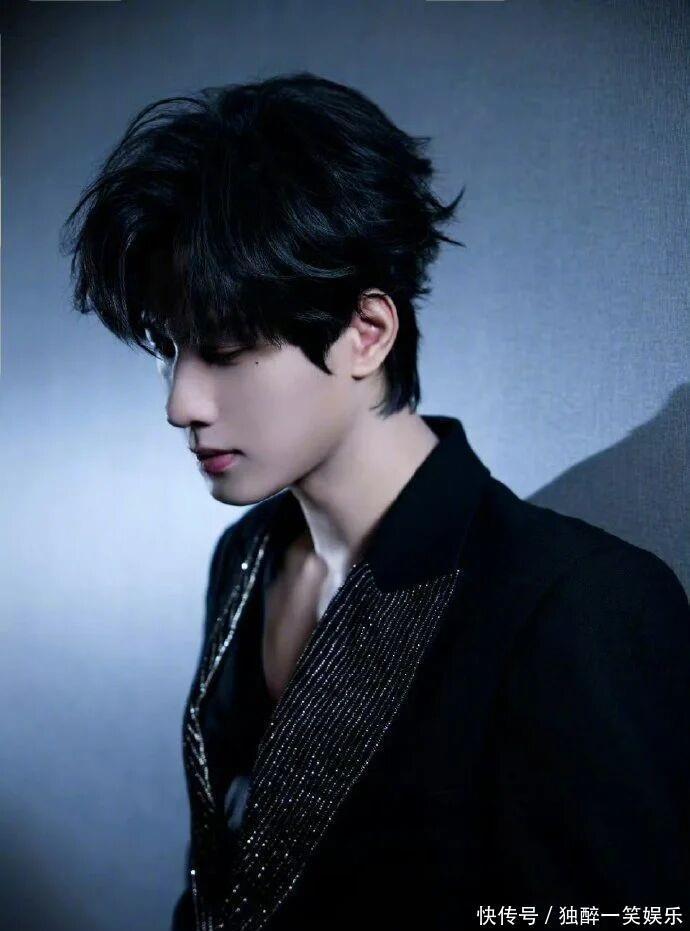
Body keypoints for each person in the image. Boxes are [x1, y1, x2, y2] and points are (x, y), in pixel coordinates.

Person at [60, 71, 690, 931]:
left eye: (225, 348)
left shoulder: (578, 604)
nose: (181, 402)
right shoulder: (245, 557)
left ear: (367, 333)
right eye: (172, 348)